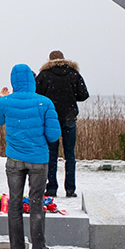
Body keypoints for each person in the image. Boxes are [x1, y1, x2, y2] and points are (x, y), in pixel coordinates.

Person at [0, 63, 62, 249]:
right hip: (38, 159)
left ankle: (17, 247)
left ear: (13, 81)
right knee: (36, 202)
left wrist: (1, 100)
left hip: (14, 159)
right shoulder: (45, 102)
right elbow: (54, 135)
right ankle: (39, 248)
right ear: (32, 81)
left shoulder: (6, 102)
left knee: (14, 202)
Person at [35, 50, 90, 198]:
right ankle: (70, 189)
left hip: (51, 118)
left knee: (52, 154)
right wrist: (71, 97)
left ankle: (52, 187)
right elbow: (84, 94)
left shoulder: (44, 75)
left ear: (49, 59)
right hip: (69, 116)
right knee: (70, 154)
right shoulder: (73, 73)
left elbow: (37, 95)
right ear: (64, 59)